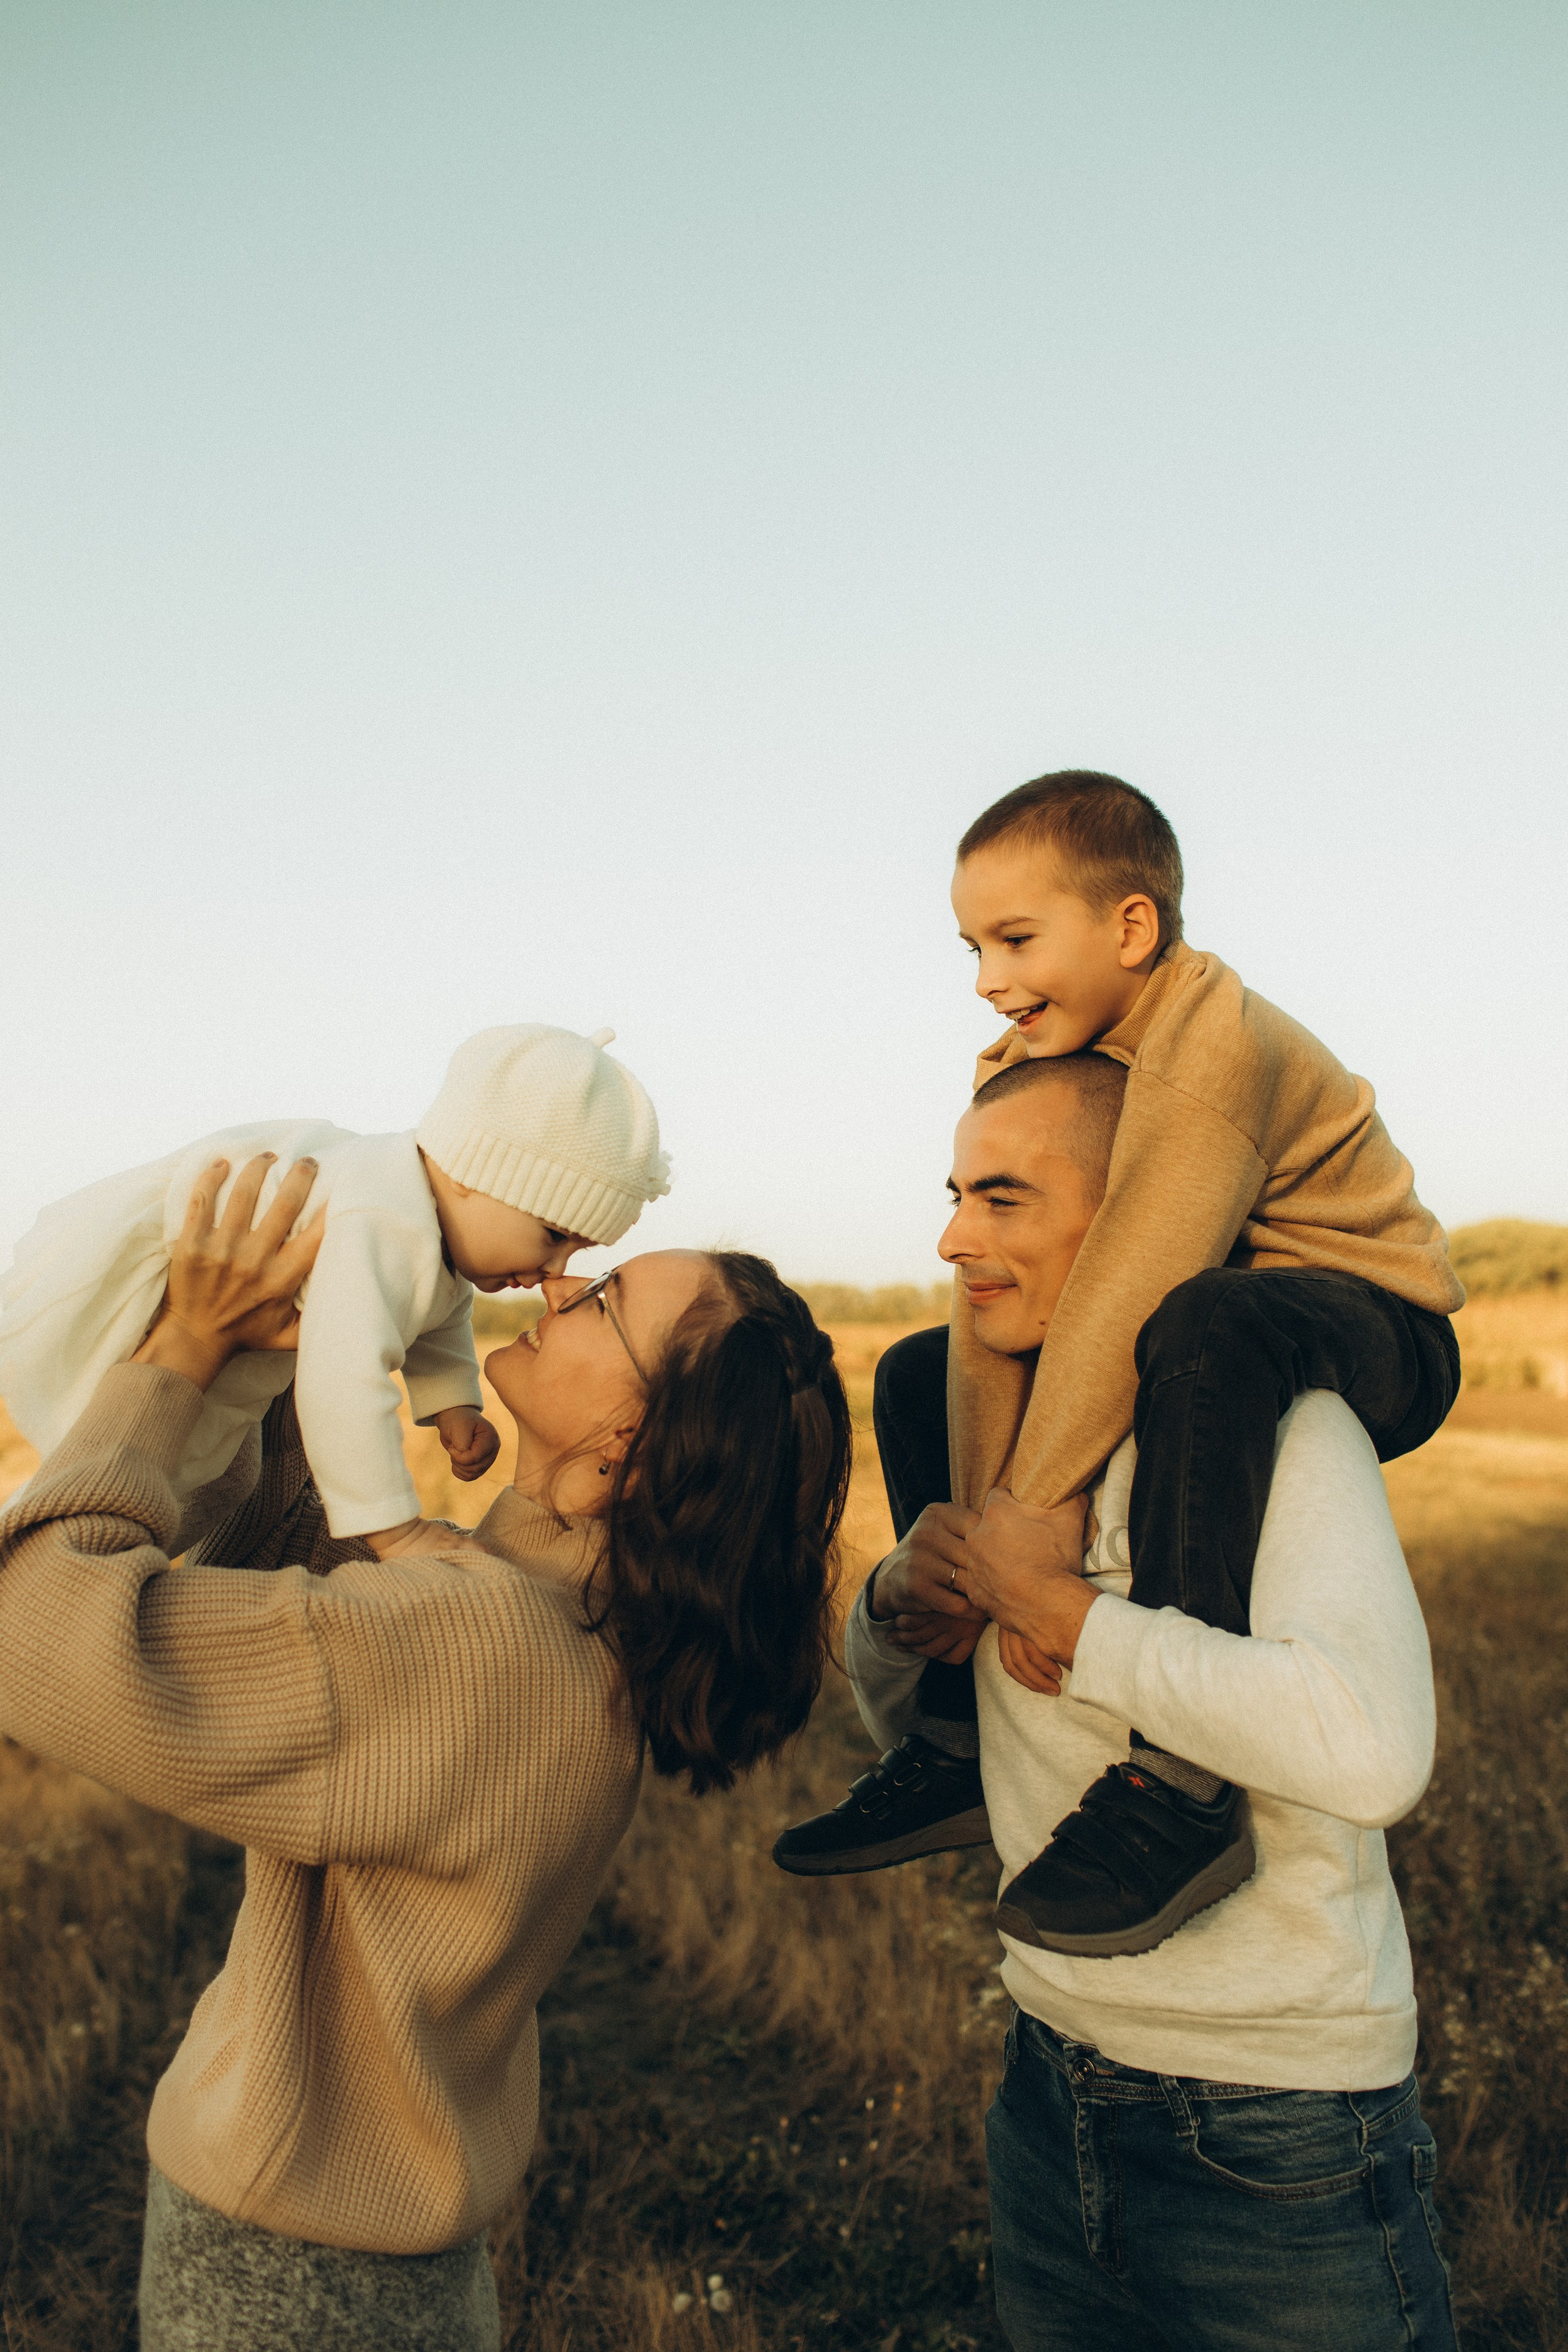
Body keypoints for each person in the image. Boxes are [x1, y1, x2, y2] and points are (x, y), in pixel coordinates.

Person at [0, 1152, 850, 2352]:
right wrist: (296, 1353)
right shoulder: (556, 1631)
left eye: (603, 1302)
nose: (559, 1286)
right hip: (378, 2271)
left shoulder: (481, 1644)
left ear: (629, 1450)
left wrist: (175, 1361)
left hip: (282, 2284)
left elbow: (32, 1627)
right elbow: (293, 1569)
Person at [777, 772, 1461, 1958]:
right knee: (918, 1366)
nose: (986, 979)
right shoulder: (1020, 1065)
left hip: (1371, 1321)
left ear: (1130, 927)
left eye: (1014, 940)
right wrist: (989, 1534)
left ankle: (1183, 1787)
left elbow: (1135, 1278)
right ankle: (949, 1745)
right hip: (1213, 1311)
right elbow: (994, 1318)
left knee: (1202, 1323)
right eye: (970, 948)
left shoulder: (1212, 1043)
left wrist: (1042, 1517)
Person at [839, 1062, 1457, 2350]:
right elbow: (904, 1723)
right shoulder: (984, 1431)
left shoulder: (1287, 1431)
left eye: (1002, 1198)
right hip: (1045, 2081)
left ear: (1135, 1218)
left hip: (1274, 2131)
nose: (955, 1238)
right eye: (955, 1196)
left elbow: (1373, 1747)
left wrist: (1072, 1622)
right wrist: (903, 1598)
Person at [0, 1022, 670, 1559]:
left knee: (207, 1482)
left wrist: (452, 1404)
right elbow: (343, 1382)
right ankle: (54, 1571)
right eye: (554, 1233)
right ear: (473, 1172)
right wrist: (391, 1529)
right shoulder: (384, 1220)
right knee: (138, 1481)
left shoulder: (435, 1236)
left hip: (222, 1347)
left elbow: (440, 1317)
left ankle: (77, 1564)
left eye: (581, 1249)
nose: (556, 1272)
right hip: (147, 1307)